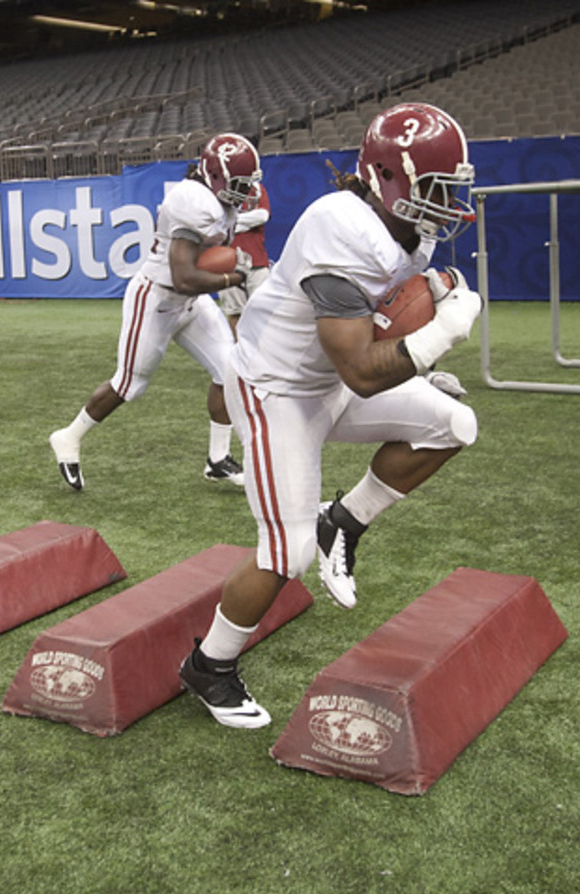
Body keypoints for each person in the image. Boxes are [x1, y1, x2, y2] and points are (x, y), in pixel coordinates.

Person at [178, 103, 482, 728]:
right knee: (285, 554)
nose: (448, 204)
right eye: (435, 190)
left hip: (327, 381)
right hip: (275, 391)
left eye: (452, 189)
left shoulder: (410, 233)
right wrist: (433, 341)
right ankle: (208, 665)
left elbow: (374, 331)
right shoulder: (340, 225)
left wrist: (415, 362)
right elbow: (362, 369)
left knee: (451, 426)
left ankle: (342, 523)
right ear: (387, 180)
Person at [48, 133, 261, 492]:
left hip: (189, 302)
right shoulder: (192, 202)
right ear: (216, 176)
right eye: (240, 184)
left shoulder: (219, 202)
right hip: (157, 299)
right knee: (129, 384)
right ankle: (68, 437)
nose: (245, 192)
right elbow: (183, 277)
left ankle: (217, 459)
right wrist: (232, 277)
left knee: (230, 367)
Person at [216, 182, 271, 334]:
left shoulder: (257, 188)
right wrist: (245, 222)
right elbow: (215, 221)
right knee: (235, 313)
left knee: (263, 313)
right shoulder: (217, 188)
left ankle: (265, 354)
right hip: (227, 263)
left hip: (257, 260)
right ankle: (238, 354)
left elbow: (262, 216)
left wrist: (231, 222)